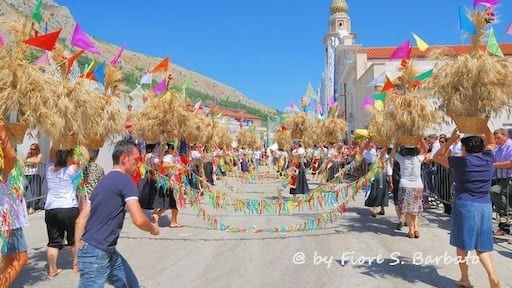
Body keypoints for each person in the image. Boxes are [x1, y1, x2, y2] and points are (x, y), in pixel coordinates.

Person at [74, 139, 160, 287]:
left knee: (131, 284)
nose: (137, 164)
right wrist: (153, 228)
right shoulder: (126, 181)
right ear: (124, 159)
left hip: (103, 250)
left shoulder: (103, 182)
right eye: (135, 160)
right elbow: (138, 219)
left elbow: (81, 219)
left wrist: (78, 252)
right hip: (97, 252)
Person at [433, 127, 501, 288]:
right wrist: (483, 124)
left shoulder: (460, 161)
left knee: (463, 245)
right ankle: (492, 275)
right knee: (482, 246)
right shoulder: (488, 157)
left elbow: (436, 156)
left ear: (465, 148)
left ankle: (465, 279)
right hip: (484, 205)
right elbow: (491, 142)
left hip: (465, 205)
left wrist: (450, 140)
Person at [44, 145, 89, 279]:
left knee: (53, 242)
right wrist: (77, 141)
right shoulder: (71, 170)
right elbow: (86, 157)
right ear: (68, 158)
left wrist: (58, 140)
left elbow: (51, 153)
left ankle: (52, 269)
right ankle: (76, 265)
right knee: (74, 240)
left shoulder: (49, 169)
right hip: (69, 208)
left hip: (51, 209)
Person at [0, 122, 29, 287]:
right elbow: (10, 155)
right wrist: (2, 128)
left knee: (8, 260)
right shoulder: (6, 164)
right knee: (20, 258)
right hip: (7, 216)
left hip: (7, 216)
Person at [393, 138, 428, 239]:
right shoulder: (418, 159)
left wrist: (397, 142)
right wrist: (421, 140)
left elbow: (393, 153)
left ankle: (411, 230)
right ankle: (416, 228)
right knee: (415, 209)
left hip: (405, 185)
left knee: (407, 209)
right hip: (417, 185)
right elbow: (425, 151)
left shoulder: (402, 159)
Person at [490, 128, 512, 236]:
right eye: (495, 138)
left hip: (509, 178)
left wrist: (495, 165)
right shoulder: (498, 148)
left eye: (498, 138)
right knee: (502, 201)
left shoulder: (510, 146)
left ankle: (509, 215)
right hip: (501, 178)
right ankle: (504, 228)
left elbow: (511, 163)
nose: (497, 140)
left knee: (495, 191)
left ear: (505, 136)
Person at [24, 142, 43, 214]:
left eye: (33, 149)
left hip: (34, 174)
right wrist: (27, 155)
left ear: (37, 149)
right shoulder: (29, 155)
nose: (32, 150)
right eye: (30, 148)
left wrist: (29, 162)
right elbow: (23, 161)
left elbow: (37, 162)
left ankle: (32, 207)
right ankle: (24, 207)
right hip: (26, 174)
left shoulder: (39, 155)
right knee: (23, 191)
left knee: (34, 192)